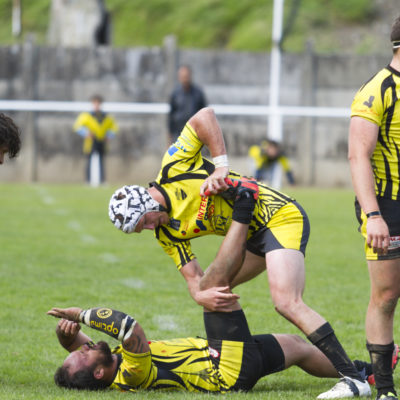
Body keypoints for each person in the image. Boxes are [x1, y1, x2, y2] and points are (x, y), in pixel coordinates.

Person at [108, 106, 370, 398]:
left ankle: (352, 379)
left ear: (146, 203)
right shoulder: (167, 232)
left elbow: (203, 116)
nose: (147, 229)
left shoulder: (174, 167)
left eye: (143, 223)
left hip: (279, 216)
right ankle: (253, 359)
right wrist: (198, 294)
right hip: (250, 232)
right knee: (212, 288)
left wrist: (221, 166)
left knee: (286, 301)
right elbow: (195, 282)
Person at [48, 202, 375, 394]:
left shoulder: (110, 363)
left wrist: (69, 340)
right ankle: (244, 213)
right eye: (84, 353)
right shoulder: (131, 373)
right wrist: (82, 315)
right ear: (99, 374)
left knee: (299, 347)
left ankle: (364, 372)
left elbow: (85, 348)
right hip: (226, 366)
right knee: (212, 285)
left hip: (230, 364)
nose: (86, 346)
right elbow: (129, 328)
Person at [348, 16, 400, 400]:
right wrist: (373, 215)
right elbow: (357, 155)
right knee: (386, 296)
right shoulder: (377, 89)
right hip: (387, 206)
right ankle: (384, 389)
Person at [73, 94, 118, 186]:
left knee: (101, 161)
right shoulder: (86, 115)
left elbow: (114, 128)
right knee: (89, 161)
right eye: (95, 103)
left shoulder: (106, 116)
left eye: (98, 103)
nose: (96, 105)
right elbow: (77, 126)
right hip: (91, 142)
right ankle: (88, 180)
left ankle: (102, 181)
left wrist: (109, 135)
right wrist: (86, 133)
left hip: (102, 141)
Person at [168, 65, 207, 144]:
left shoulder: (198, 93)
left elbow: (204, 114)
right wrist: (169, 137)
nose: (184, 79)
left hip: (194, 134)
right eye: (182, 76)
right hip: (178, 134)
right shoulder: (175, 94)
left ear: (190, 76)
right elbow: (171, 117)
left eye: (186, 76)